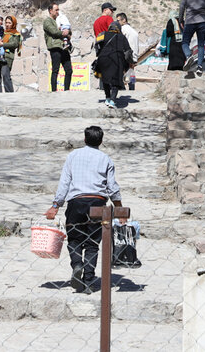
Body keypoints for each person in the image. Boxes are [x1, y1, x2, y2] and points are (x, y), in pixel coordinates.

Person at [45, 126, 124, 294]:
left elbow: (64, 182)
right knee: (92, 243)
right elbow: (112, 188)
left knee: (74, 239)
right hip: (98, 203)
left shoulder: (73, 156)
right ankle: (88, 281)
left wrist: (55, 206)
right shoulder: (106, 159)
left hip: (76, 202)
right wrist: (119, 209)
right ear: (101, 141)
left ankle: (77, 264)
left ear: (85, 139)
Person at [94, 21, 132, 108]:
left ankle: (107, 98)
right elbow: (128, 51)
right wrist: (129, 62)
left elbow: (96, 46)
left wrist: (100, 55)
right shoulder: (122, 37)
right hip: (116, 59)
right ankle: (112, 100)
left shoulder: (102, 34)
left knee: (105, 79)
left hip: (103, 58)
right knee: (116, 80)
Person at [44, 3, 73, 92]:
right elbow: (53, 32)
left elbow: (68, 31)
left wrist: (67, 31)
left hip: (64, 47)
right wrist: (63, 32)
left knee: (69, 70)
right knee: (55, 70)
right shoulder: (47, 21)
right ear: (50, 11)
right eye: (56, 10)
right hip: (55, 47)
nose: (57, 12)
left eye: (58, 10)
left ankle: (66, 90)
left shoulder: (60, 19)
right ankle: (54, 91)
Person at [0, 15, 21, 93]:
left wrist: (2, 44)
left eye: (9, 23)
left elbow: (14, 44)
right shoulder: (1, 32)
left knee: (5, 75)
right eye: (6, 22)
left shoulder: (15, 34)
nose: (7, 24)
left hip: (7, 57)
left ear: (13, 24)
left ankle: (10, 94)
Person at [116, 13, 140, 90]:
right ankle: (132, 87)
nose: (117, 22)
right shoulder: (134, 31)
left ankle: (122, 87)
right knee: (131, 72)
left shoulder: (123, 30)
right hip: (134, 55)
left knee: (122, 72)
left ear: (124, 20)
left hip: (126, 54)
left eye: (118, 20)